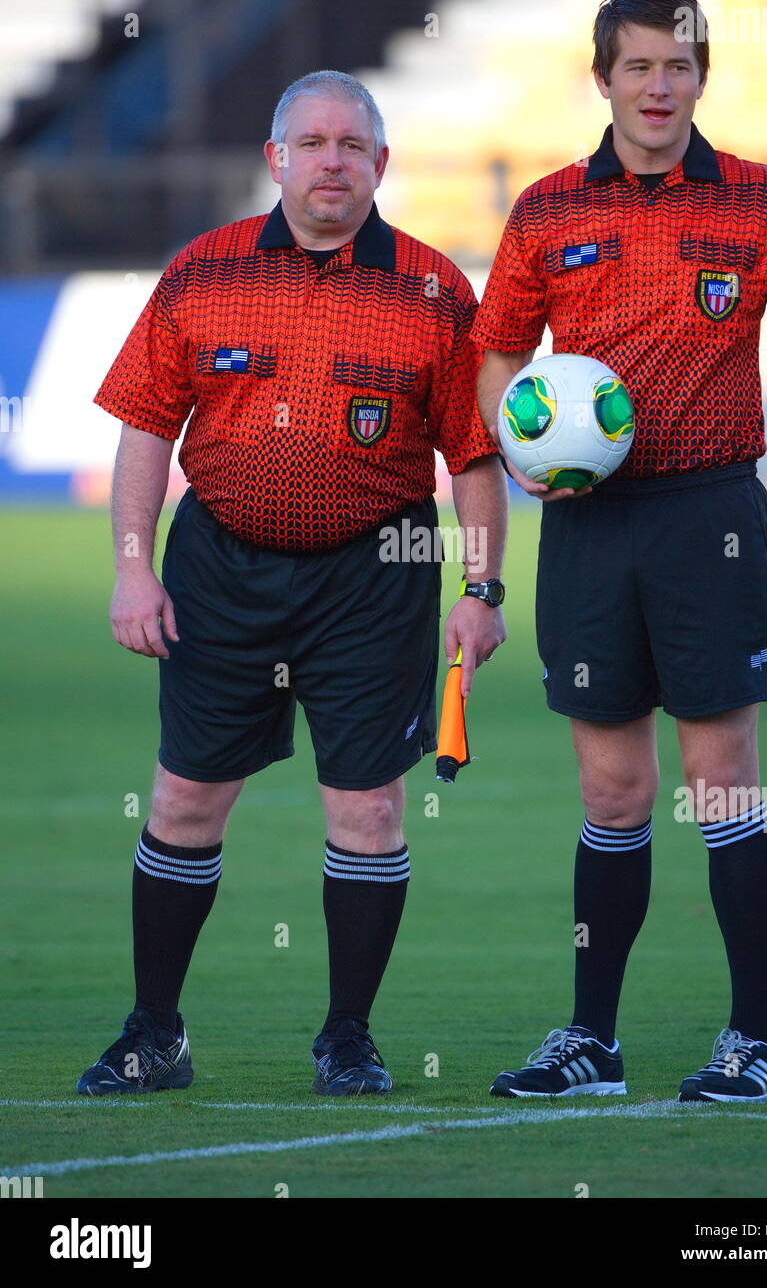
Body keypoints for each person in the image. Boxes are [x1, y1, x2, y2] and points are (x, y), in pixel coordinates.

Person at [473, 0, 767, 1102]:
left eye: (677, 65)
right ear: (601, 78)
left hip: (709, 520)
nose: (657, 86)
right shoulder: (546, 211)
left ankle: (756, 1043)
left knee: (721, 782)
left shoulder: (758, 204)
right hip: (588, 526)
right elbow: (498, 349)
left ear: (702, 75)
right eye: (636, 66)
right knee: (608, 793)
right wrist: (519, 438)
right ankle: (591, 1042)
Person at [81, 70, 507, 1098]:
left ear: (379, 164)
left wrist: (481, 590)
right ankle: (154, 1033)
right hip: (220, 570)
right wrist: (132, 571)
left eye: (351, 146)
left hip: (375, 578)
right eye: (311, 143)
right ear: (275, 158)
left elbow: (476, 457)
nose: (331, 161)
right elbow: (146, 424)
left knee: (368, 812)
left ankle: (347, 1037)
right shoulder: (203, 270)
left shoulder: (434, 288)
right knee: (183, 798)